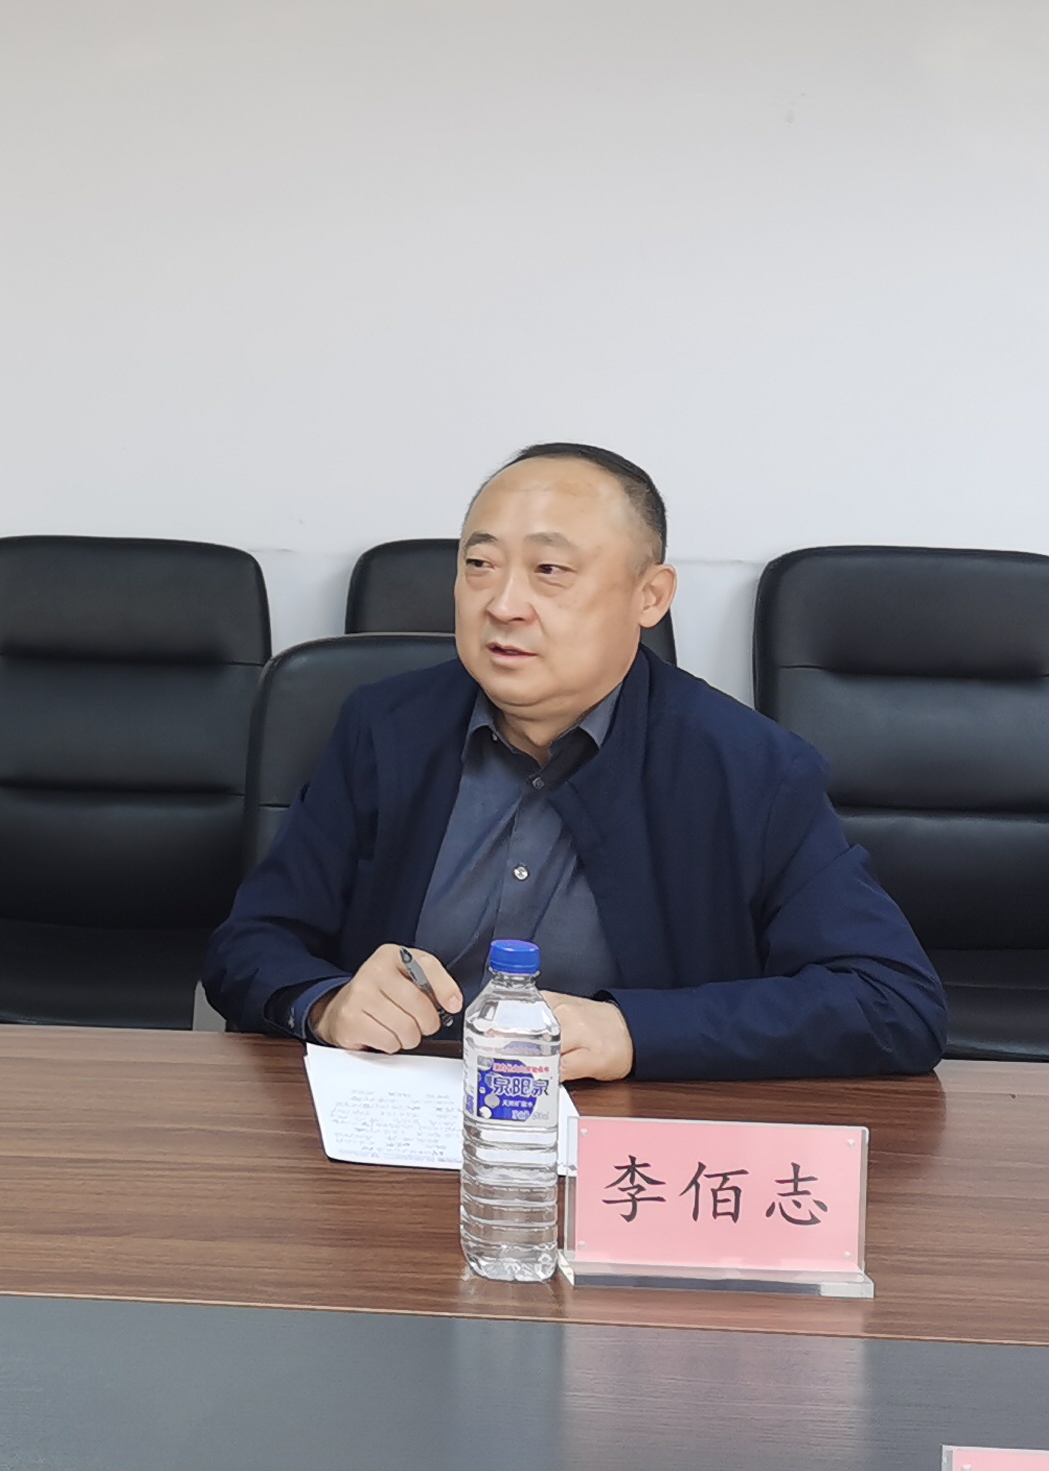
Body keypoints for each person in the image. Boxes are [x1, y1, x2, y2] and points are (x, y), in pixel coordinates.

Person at [206, 443, 942, 1081]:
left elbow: (892, 1002)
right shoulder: (386, 728)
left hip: (626, 1140)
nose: (504, 604)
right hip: (393, 1120)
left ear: (650, 596)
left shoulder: (749, 768)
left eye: (550, 569)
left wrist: (633, 1033)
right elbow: (251, 944)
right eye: (480, 565)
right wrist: (327, 1003)